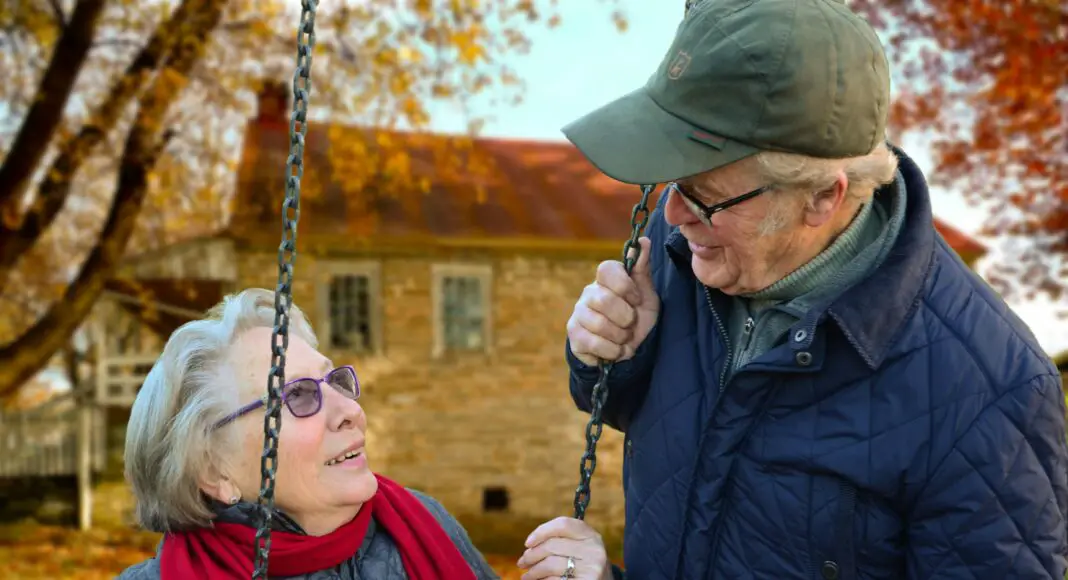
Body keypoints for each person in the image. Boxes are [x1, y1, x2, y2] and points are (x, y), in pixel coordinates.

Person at [561, 0, 1068, 578]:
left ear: (824, 197)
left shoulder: (990, 391)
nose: (674, 214)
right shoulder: (687, 247)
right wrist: (611, 355)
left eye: (704, 194)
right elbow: (655, 423)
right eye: (671, 183)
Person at [117, 288, 613, 580]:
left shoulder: (423, 525)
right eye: (299, 396)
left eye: (334, 381)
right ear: (213, 471)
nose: (349, 410)